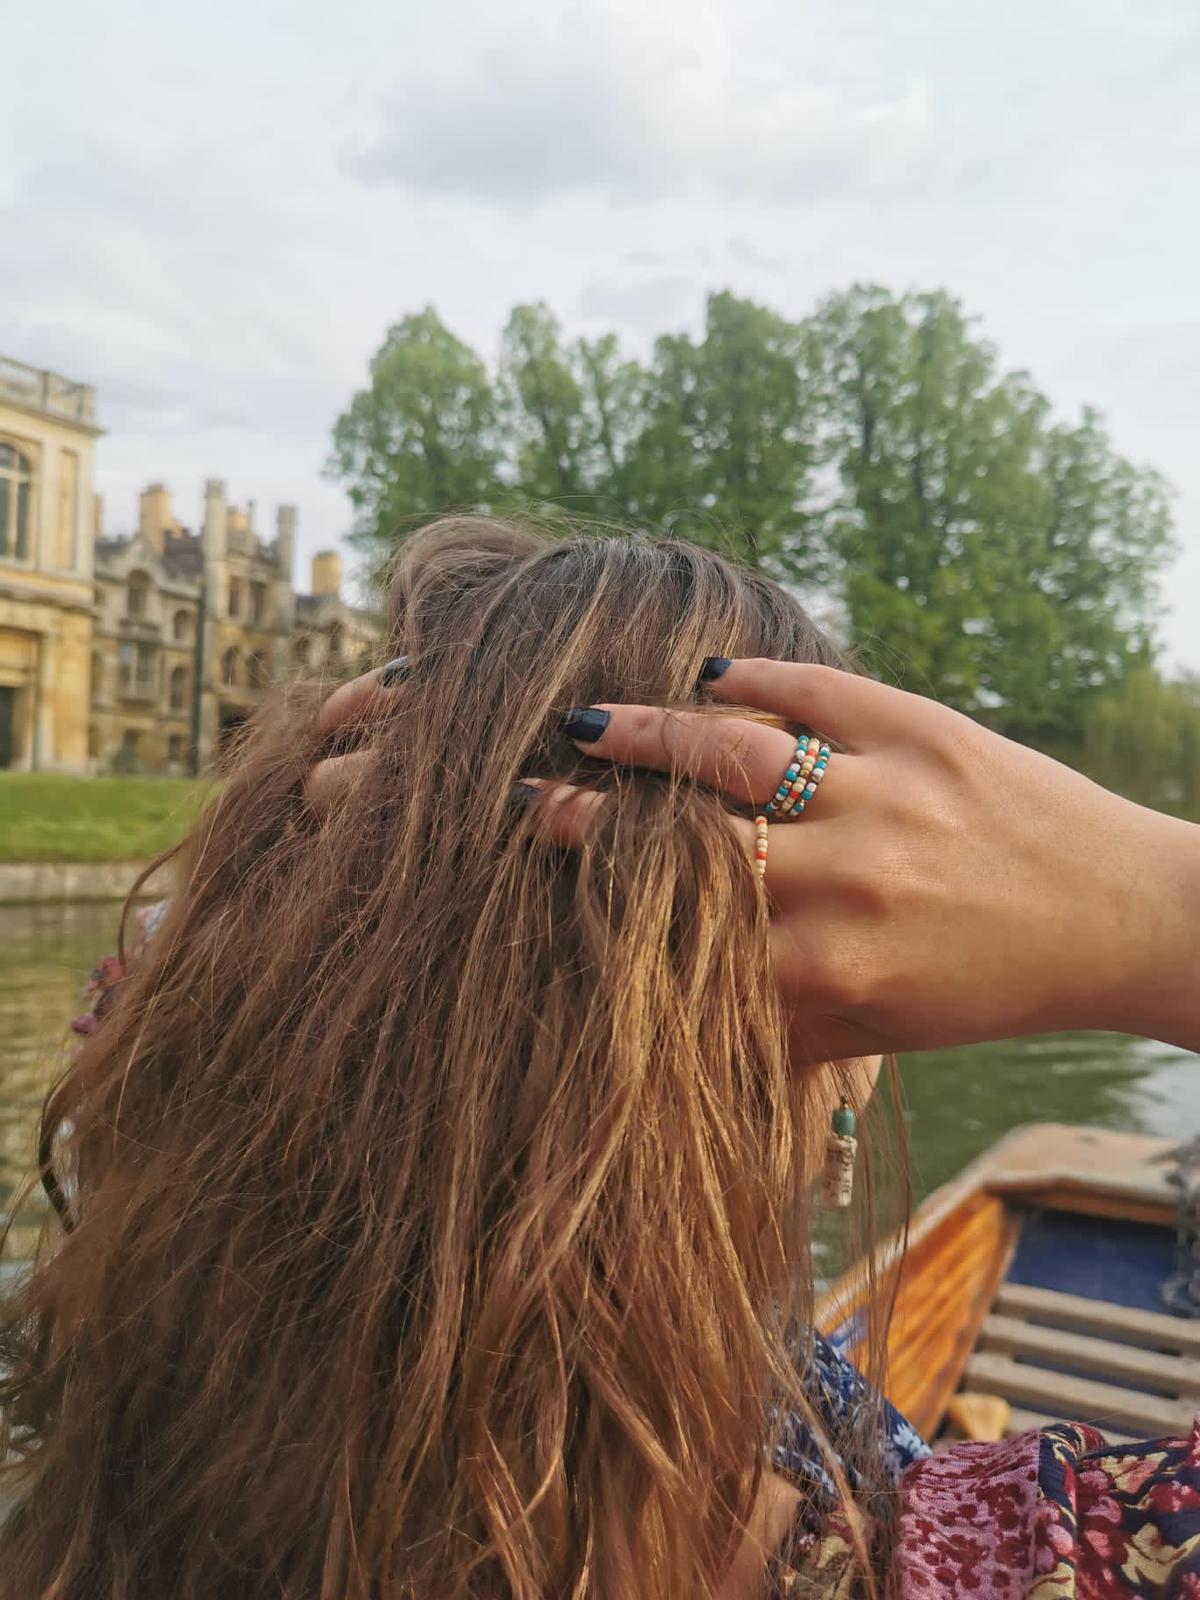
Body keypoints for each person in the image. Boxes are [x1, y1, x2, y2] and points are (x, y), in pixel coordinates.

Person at [1, 516, 1197, 1598]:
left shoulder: (103, 1411)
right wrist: (1153, 901)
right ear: (831, 1065)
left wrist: (293, 895)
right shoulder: (1031, 1564)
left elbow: (142, 994)